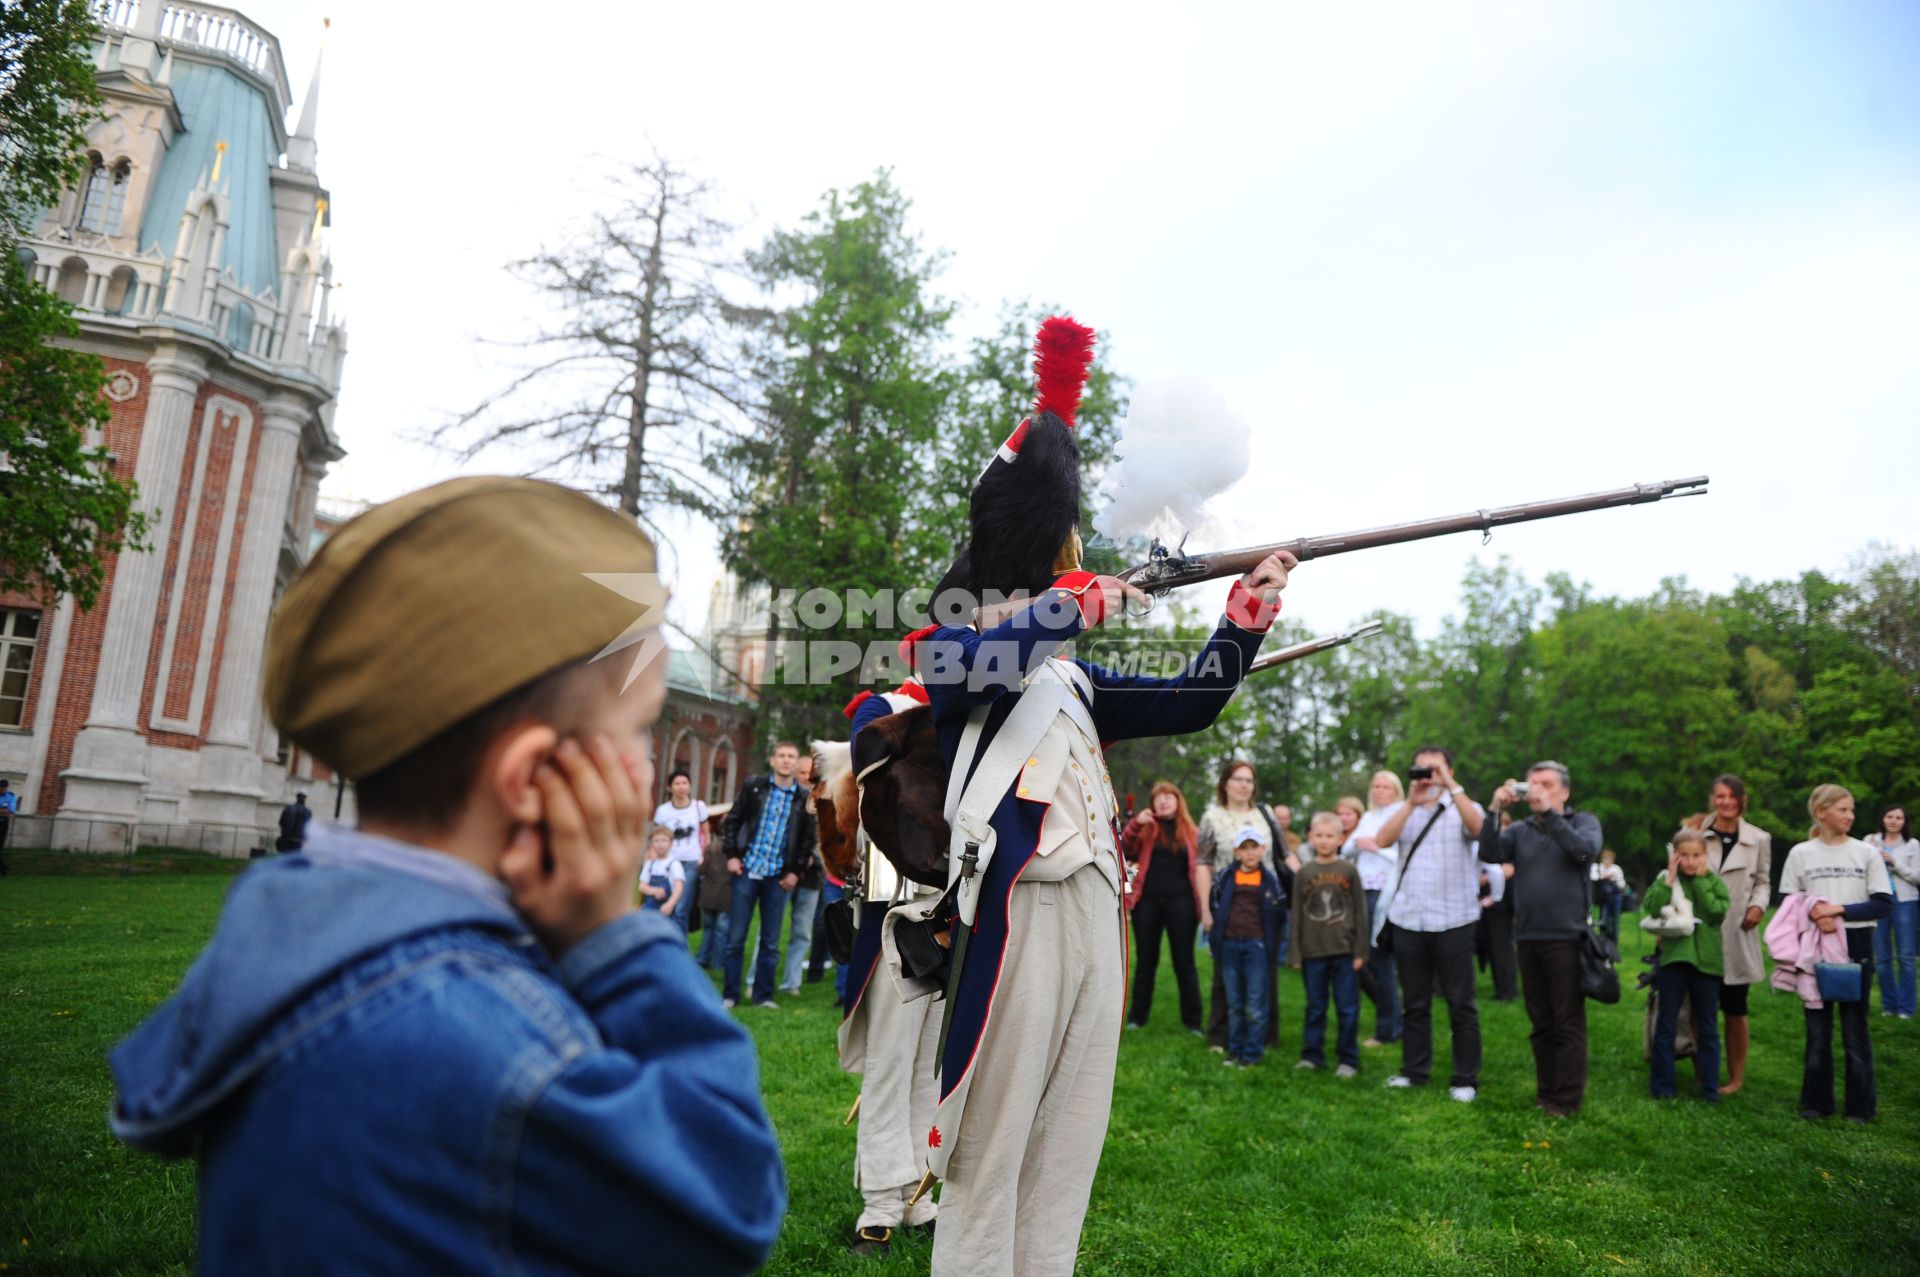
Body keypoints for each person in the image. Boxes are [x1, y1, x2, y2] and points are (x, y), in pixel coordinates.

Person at [104, 476, 784, 1273]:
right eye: (638, 733)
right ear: (535, 778)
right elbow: (727, 1198)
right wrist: (616, 935)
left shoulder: (286, 926)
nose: (647, 773)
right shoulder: (478, 1031)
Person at [900, 315, 1294, 1277]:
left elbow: (1196, 701)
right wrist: (1068, 606)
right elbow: (971, 668)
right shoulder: (947, 649)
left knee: (1073, 1135)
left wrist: (1244, 615)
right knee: (994, 1139)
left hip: (1092, 917)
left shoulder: (1077, 681)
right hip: (1018, 909)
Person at [832, 680, 942, 1256]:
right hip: (895, 916)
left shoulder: (975, 711)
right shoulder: (887, 710)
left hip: (950, 916)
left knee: (929, 1070)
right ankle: (879, 1204)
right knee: (890, 1070)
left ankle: (918, 1194)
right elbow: (868, 750)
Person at [1481, 762, 1602, 1116]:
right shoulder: (1519, 830)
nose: (1537, 790)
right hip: (1529, 935)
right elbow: (1488, 853)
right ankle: (1545, 1092)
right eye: (1532, 784)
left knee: (1568, 1022)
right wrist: (1495, 807)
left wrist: (1551, 815)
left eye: (1546, 784)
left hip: (1567, 935)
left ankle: (1566, 1099)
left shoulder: (1583, 822)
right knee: (1541, 1022)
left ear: (1564, 792)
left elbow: (1584, 853)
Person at [1370, 745, 1487, 1102]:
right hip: (1410, 917)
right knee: (1415, 1002)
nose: (1426, 776)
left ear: (1449, 770)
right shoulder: (1404, 809)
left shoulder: (1464, 806)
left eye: (1433, 769)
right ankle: (1414, 1071)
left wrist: (1450, 786)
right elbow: (1382, 840)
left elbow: (1481, 830)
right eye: (1420, 769)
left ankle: (1465, 1077)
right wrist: (1410, 802)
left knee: (1460, 1002)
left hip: (1454, 917)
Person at [1777, 783, 1892, 1121]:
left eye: (1851, 810)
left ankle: (1861, 1107)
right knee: (1817, 1027)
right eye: (1842, 809)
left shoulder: (1866, 853)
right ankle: (1816, 1102)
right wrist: (1814, 912)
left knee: (1856, 1028)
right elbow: (1788, 899)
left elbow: (1882, 903)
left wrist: (1837, 911)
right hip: (1816, 945)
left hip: (1856, 944)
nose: (1849, 816)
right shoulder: (1801, 853)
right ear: (1821, 812)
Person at [1200, 759, 1293, 1053]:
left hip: (1264, 900)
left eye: (1249, 780)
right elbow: (1203, 864)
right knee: (1224, 970)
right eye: (1238, 779)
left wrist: (1308, 880)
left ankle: (1265, 1035)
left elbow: (1286, 855)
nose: (1243, 785)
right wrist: (1205, 908)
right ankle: (1220, 1036)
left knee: (1264, 968)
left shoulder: (1265, 815)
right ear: (1225, 783)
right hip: (1227, 899)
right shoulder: (1212, 817)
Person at [719, 741, 814, 1009]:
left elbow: (807, 840)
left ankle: (763, 996)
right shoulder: (754, 787)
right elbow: (733, 821)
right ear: (772, 760)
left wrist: (795, 872)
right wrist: (732, 856)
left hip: (778, 878)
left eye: (791, 756)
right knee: (736, 938)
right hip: (747, 870)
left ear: (797, 764)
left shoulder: (802, 798)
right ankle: (730, 994)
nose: (786, 760)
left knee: (771, 943)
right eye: (781, 756)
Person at [1642, 828, 1730, 1102]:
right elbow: (1652, 908)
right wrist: (1669, 879)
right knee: (1667, 1023)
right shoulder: (1667, 880)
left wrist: (1703, 881)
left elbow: (1717, 912)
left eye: (1697, 856)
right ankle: (1663, 1087)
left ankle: (1710, 1087)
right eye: (1684, 856)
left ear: (1705, 856)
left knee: (1707, 1026)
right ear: (1674, 856)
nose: (1691, 862)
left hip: (1707, 964)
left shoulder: (1713, 882)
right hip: (1675, 961)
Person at [1702, 774, 1772, 1094]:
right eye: (1720, 796)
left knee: (1735, 1008)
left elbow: (1762, 881)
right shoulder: (1694, 834)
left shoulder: (1758, 839)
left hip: (1738, 930)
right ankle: (1703, 1072)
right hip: (1700, 933)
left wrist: (1757, 907)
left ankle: (1735, 1077)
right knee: (1699, 1006)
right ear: (1712, 799)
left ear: (1742, 801)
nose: (1726, 802)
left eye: (1732, 796)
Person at [1122, 780, 1207, 1033]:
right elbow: (1124, 848)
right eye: (1158, 798)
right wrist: (1137, 823)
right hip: (1146, 901)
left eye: (1169, 796)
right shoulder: (1145, 829)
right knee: (1146, 961)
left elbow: (1202, 868)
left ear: (1178, 801)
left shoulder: (1192, 833)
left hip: (1182, 902)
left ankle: (1193, 1022)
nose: (1163, 801)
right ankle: (1137, 1018)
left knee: (1185, 961)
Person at [1292, 812, 1368, 1077]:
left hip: (1345, 951)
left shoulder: (1349, 871)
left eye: (1330, 836)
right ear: (1310, 838)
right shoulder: (1304, 873)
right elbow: (1297, 915)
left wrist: (1361, 950)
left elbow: (1360, 911)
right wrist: (1295, 951)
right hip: (1313, 952)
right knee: (1315, 1006)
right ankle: (1312, 1055)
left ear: (1341, 838)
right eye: (1319, 836)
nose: (1324, 841)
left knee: (1347, 1008)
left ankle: (1348, 1059)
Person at [1211, 826, 1285, 1067]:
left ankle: (1252, 1053)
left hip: (1257, 948)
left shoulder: (1269, 881)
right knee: (1234, 1002)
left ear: (1263, 850)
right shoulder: (1226, 877)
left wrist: (1270, 945)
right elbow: (1216, 904)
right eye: (1245, 848)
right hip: (1230, 946)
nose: (1250, 853)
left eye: (1255, 847)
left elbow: (1278, 914)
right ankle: (1235, 1050)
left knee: (1255, 1002)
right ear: (1236, 852)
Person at [1344, 772, 1404, 1048]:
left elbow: (1403, 856)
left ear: (1396, 790)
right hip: (1361, 892)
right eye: (1376, 786)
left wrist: (1376, 847)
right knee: (1367, 959)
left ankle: (1389, 1029)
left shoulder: (1401, 814)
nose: (1380, 791)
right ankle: (1391, 1021)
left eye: (1385, 787)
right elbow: (1346, 848)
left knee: (1381, 961)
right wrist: (1361, 844)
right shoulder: (1368, 817)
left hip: (1387, 892)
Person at [1867, 803, 1917, 1019]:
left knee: (1906, 956)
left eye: (1899, 817)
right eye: (1890, 816)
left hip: (1905, 901)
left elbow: (1917, 877)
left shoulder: (1913, 845)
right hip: (1878, 900)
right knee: (1881, 957)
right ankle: (1889, 1006)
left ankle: (1906, 1008)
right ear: (1883, 819)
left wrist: (1894, 862)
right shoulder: (1870, 840)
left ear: (1904, 822)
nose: (1894, 821)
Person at [779, 753, 822, 995]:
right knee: (771, 929)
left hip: (812, 876)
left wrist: (813, 856)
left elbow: (826, 837)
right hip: (783, 872)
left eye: (811, 774)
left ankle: (791, 982)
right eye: (802, 773)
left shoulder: (823, 799)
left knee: (802, 931)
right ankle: (757, 978)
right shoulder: (788, 799)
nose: (807, 778)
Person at [652, 768, 709, 933]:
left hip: (691, 863)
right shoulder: (663, 811)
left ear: (690, 786)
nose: (681, 787)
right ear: (670, 787)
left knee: (681, 908)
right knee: (664, 906)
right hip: (668, 864)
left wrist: (704, 856)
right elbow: (655, 838)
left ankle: (679, 946)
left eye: (685, 783)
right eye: (677, 783)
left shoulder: (699, 807)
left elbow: (706, 833)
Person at [695, 811, 734, 968]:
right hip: (725, 895)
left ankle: (702, 958)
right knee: (721, 931)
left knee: (708, 929)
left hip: (708, 893)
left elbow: (702, 870)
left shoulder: (712, 846)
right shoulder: (735, 850)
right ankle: (717, 963)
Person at [638, 825, 686, 916]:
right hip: (649, 909)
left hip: (666, 910)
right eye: (656, 841)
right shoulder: (649, 864)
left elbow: (679, 887)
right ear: (651, 844)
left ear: (671, 844)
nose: (660, 844)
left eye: (664, 840)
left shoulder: (674, 864)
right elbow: (642, 886)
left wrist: (670, 904)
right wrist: (655, 891)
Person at [1591, 849, 1627, 945]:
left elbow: (1622, 884)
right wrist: (1604, 876)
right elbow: (1593, 878)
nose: (1607, 861)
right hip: (1603, 897)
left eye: (1610, 859)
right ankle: (1603, 940)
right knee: (1604, 919)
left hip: (1616, 896)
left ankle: (1614, 943)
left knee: (1615, 920)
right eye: (1606, 859)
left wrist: (1614, 877)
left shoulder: (1616, 869)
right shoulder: (1597, 867)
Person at [0, 777, 16, 875]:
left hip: (2, 823)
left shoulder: (10, 796)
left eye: (2, 788)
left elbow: (11, 810)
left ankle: (3, 868)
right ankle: (3, 868)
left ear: (6, 788)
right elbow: (5, 810)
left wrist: (3, 811)